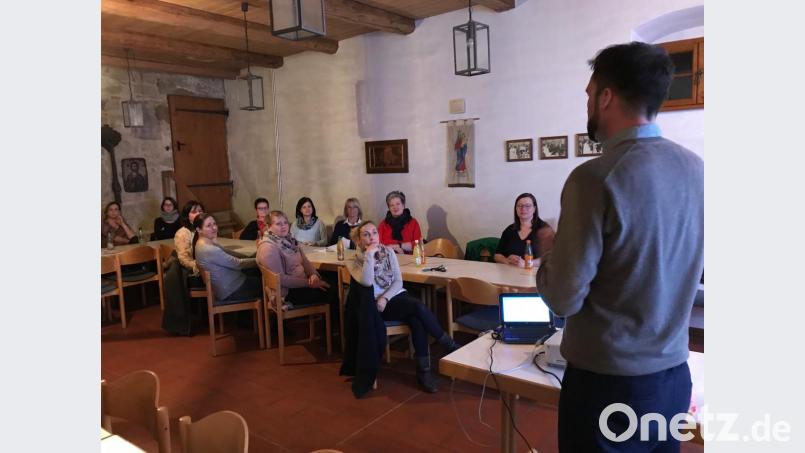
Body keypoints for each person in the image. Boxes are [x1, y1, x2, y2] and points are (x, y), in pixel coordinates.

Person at [536, 42, 704, 452]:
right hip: (673, 377)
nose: (589, 103)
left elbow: (562, 298)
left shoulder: (595, 178)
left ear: (606, 96)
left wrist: (548, 248)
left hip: (608, 384)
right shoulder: (696, 168)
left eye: (590, 94)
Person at [348, 221, 460, 393]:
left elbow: (398, 281)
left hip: (393, 297)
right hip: (375, 306)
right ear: (358, 240)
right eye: (366, 234)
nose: (372, 237)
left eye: (374, 233)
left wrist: (386, 297)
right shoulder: (354, 260)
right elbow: (367, 281)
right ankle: (445, 346)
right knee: (417, 309)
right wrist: (369, 256)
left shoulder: (389, 252)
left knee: (416, 318)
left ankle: (426, 369)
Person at [257, 211, 332, 309]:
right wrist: (308, 283)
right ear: (269, 226)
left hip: (301, 282)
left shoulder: (289, 240)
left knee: (331, 280)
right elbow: (281, 280)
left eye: (285, 222)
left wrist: (313, 275)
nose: (283, 226)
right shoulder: (268, 247)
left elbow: (305, 261)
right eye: (278, 224)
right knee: (332, 290)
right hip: (288, 292)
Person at [193, 213, 261, 302]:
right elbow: (237, 264)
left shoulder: (202, 243)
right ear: (199, 229)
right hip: (231, 291)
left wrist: (250, 256)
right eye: (209, 226)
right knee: (265, 284)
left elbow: (228, 252)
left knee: (254, 274)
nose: (214, 228)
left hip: (227, 286)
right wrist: (259, 261)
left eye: (214, 224)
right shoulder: (208, 249)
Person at [494, 193, 555, 267]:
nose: (523, 209)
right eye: (519, 206)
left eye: (528, 206)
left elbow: (552, 257)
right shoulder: (509, 230)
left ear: (534, 209)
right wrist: (507, 261)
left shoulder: (544, 229)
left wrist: (526, 263)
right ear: (516, 209)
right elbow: (497, 255)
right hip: (510, 273)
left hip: (536, 276)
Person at [174, 200, 205, 276]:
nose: (198, 214)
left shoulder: (206, 229)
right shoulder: (183, 233)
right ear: (187, 216)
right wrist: (200, 266)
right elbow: (184, 259)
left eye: (200, 211)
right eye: (194, 212)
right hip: (194, 271)